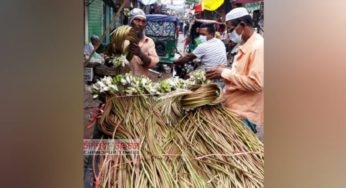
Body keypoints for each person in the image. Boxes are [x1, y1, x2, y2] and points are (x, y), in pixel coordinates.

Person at [205, 7, 264, 138]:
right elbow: (241, 75)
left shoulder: (258, 47)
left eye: (231, 29)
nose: (230, 33)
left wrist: (225, 73)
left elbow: (256, 83)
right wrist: (226, 70)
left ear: (242, 25)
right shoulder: (246, 44)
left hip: (244, 114)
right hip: (234, 108)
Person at [126, 8, 159, 79]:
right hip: (122, 83)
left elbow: (154, 63)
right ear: (130, 21)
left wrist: (140, 54)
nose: (140, 24)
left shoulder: (149, 42)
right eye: (137, 20)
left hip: (141, 84)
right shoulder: (121, 39)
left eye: (143, 21)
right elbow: (109, 58)